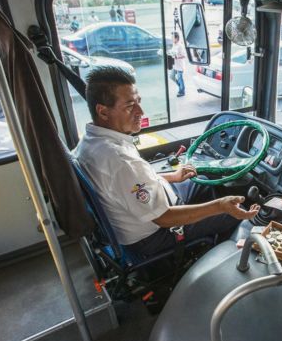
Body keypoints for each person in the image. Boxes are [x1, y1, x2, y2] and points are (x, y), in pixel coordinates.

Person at [74, 67, 260, 257]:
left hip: (146, 208)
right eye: (130, 106)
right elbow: (164, 218)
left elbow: (130, 184)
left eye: (138, 102)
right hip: (154, 235)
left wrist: (172, 176)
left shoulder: (89, 141)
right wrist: (220, 206)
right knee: (232, 214)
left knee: (202, 180)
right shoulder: (120, 160)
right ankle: (213, 258)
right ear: (103, 112)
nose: (141, 111)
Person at [169, 32, 187, 97]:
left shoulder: (180, 46)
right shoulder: (174, 44)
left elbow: (184, 55)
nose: (171, 39)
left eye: (172, 38)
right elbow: (173, 52)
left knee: (180, 78)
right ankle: (180, 86)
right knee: (171, 76)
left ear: (176, 38)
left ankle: (182, 91)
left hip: (180, 66)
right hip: (175, 65)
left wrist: (177, 57)